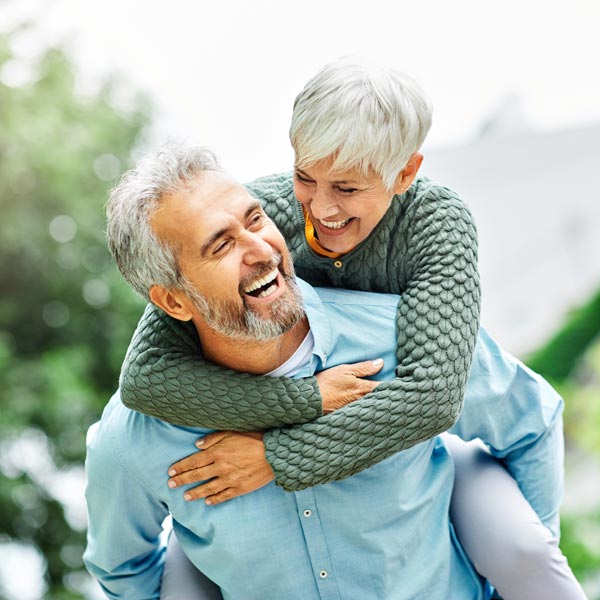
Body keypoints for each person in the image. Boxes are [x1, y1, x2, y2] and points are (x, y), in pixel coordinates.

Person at [83, 144, 586, 599]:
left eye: (255, 219)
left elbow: (532, 422)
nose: (259, 250)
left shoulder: (401, 338)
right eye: (220, 246)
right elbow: (122, 570)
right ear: (173, 300)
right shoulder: (135, 440)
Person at [117, 56, 480, 497]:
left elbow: (431, 398)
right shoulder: (258, 216)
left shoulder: (436, 223)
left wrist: (276, 455)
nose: (321, 208)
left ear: (404, 172)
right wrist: (307, 399)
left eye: (347, 188)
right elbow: (145, 377)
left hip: (467, 442)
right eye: (305, 177)